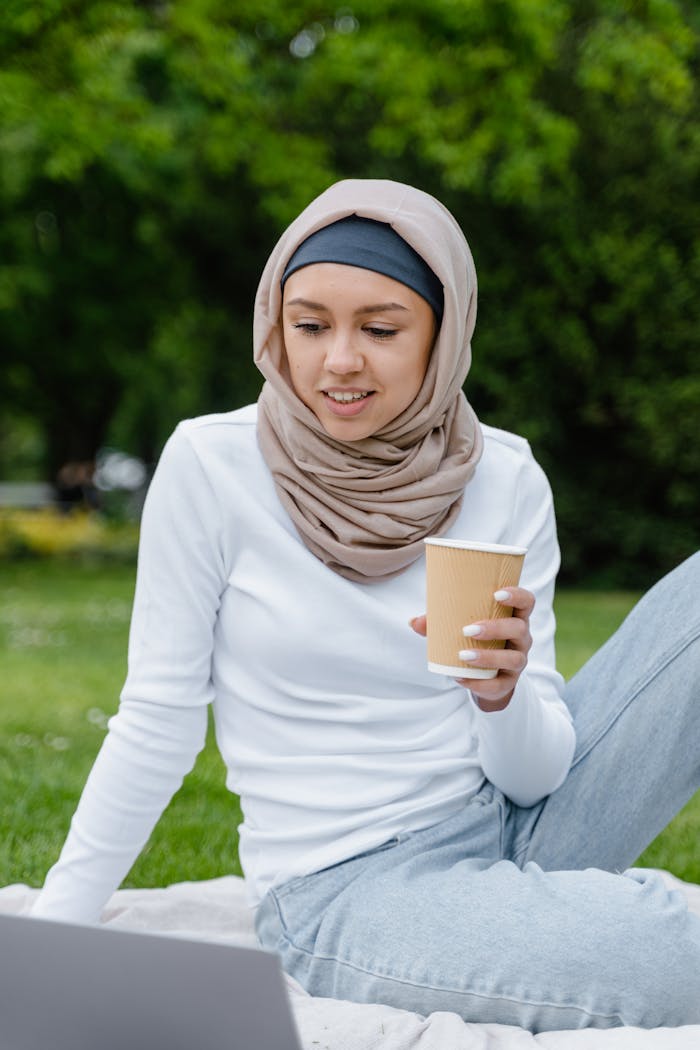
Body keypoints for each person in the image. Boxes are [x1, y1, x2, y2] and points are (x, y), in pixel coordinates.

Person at [33, 179, 700, 1033]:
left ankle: (563, 915)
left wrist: (499, 694)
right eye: (309, 325)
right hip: (351, 887)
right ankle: (589, 923)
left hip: (522, 813)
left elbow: (535, 773)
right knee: (667, 956)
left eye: (380, 329)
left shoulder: (503, 475)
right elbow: (156, 720)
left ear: (442, 334)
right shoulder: (214, 466)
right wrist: (56, 933)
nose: (338, 360)